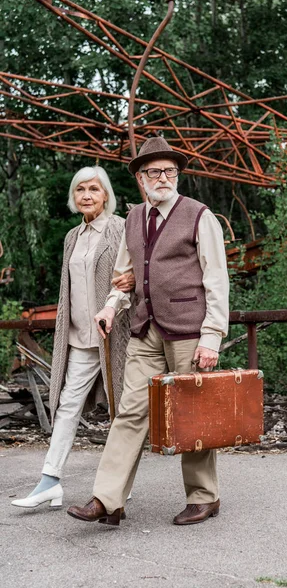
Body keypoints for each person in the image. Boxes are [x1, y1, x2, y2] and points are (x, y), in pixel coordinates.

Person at [67, 137, 230, 527]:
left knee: (192, 415)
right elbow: (124, 278)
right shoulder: (135, 218)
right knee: (130, 413)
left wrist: (212, 337)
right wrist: (110, 306)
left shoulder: (199, 215)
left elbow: (217, 280)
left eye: (170, 171)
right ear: (141, 179)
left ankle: (204, 497)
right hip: (146, 328)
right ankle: (107, 499)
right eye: (154, 172)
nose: (163, 177)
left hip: (190, 330)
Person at [12, 166, 133, 509]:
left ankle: (116, 485)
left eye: (94, 189)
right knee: (66, 406)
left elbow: (129, 280)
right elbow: (68, 292)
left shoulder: (119, 229)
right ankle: (50, 481)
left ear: (105, 194)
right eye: (80, 190)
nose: (87, 195)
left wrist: (114, 310)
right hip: (80, 338)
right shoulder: (72, 237)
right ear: (74, 196)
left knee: (119, 411)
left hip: (113, 337)